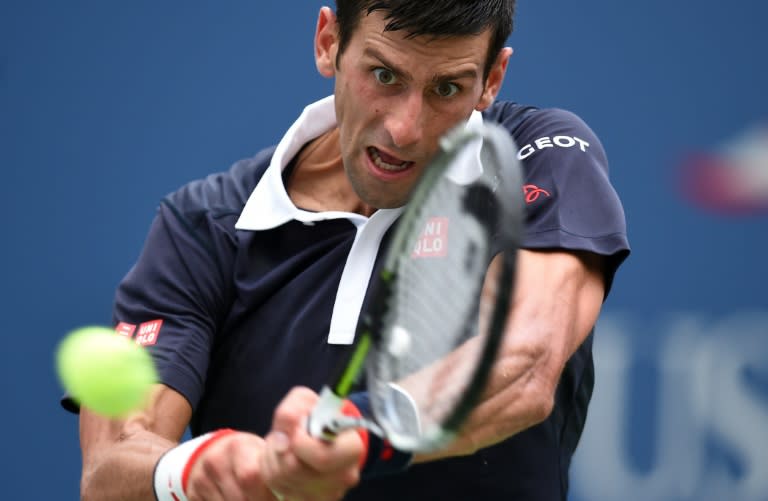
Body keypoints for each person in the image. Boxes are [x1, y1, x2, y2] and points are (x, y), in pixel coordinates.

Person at [65, 1, 630, 500]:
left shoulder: (539, 155)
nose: (406, 128)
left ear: (492, 79)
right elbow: (111, 466)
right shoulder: (203, 226)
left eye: (447, 89)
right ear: (329, 42)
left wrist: (359, 432)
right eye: (384, 75)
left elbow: (524, 363)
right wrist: (188, 470)